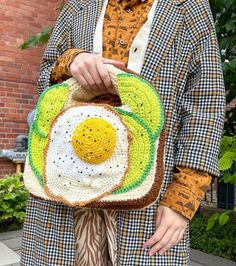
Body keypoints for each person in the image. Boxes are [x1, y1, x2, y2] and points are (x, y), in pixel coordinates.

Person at [21, 0, 226, 265]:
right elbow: (46, 75)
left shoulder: (189, 6)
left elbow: (205, 101)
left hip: (148, 194)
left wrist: (184, 197)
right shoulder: (79, 4)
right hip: (63, 185)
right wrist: (72, 61)